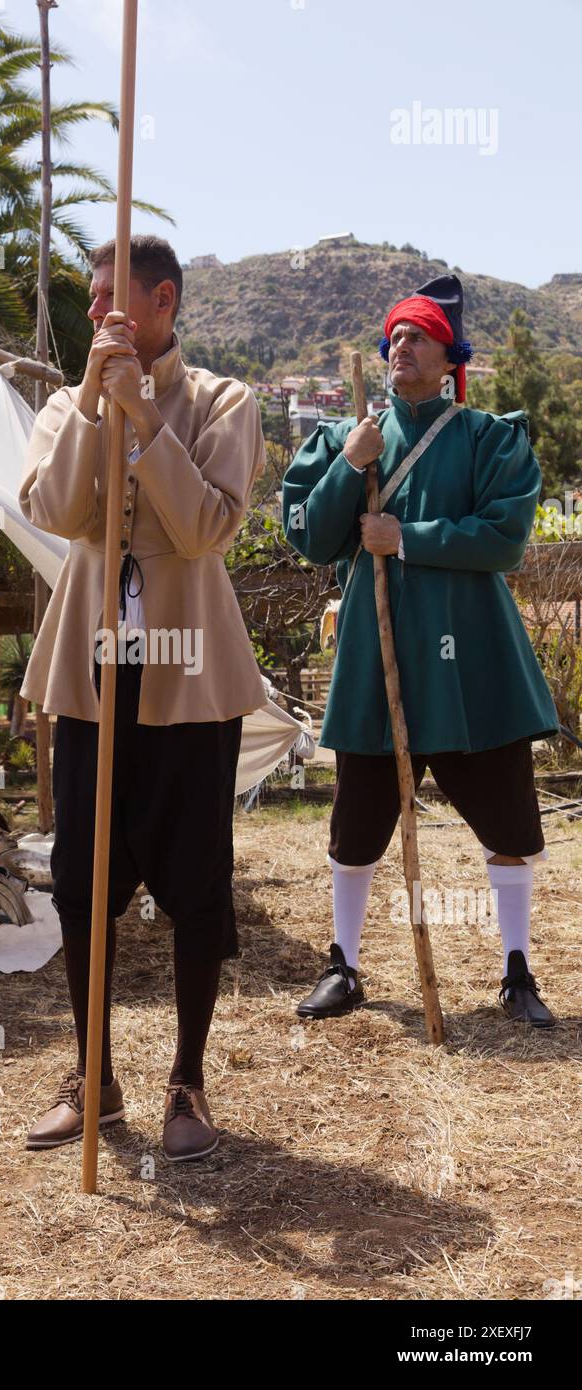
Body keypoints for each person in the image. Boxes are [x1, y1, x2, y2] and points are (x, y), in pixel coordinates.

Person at [19, 235, 267, 1159]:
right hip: (92, 675)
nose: (92, 314)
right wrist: (96, 404)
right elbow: (54, 510)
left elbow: (204, 526)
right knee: (82, 884)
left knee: (196, 884)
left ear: (160, 301)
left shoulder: (224, 402)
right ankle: (95, 1077)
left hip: (189, 676)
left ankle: (187, 1086)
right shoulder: (62, 404)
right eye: (87, 299)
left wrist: (147, 415)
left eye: (106, 298)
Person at [282, 275, 559, 1028]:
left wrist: (407, 538)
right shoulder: (347, 440)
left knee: (508, 824)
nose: (400, 346)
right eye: (393, 337)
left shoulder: (489, 439)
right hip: (378, 663)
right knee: (355, 824)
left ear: (450, 357)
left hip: (471, 663)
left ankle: (516, 970)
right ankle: (342, 965)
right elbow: (308, 535)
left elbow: (503, 538)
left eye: (417, 336)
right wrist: (350, 465)